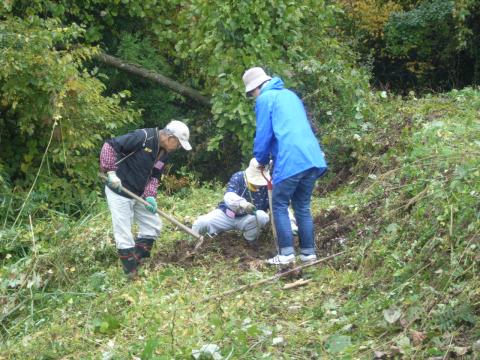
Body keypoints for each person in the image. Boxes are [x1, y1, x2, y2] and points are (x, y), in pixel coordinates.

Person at [242, 67, 328, 265]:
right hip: (311, 157)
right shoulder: (290, 95)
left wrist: (261, 160)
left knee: (279, 204)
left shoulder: (265, 99)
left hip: (291, 159)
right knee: (302, 206)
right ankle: (308, 253)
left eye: (252, 93)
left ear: (256, 87)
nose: (254, 97)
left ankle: (286, 254)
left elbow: (264, 134)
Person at [99, 120, 192, 278]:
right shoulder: (143, 137)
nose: (178, 148)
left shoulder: (164, 154)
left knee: (153, 225)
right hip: (119, 190)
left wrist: (150, 196)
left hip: (139, 193)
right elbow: (109, 145)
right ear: (171, 138)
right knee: (124, 232)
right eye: (178, 144)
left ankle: (136, 258)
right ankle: (131, 273)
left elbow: (155, 175)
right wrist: (110, 172)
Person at [192, 158, 270, 245]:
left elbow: (277, 207)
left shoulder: (268, 186)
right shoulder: (239, 177)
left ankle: (249, 241)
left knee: (262, 216)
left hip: (248, 218)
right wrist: (243, 204)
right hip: (226, 215)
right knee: (202, 222)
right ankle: (192, 242)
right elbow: (229, 196)